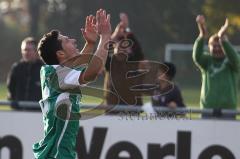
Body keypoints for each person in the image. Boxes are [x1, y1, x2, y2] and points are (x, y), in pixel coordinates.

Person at [33, 9, 111, 159]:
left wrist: (90, 43)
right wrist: (105, 36)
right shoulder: (59, 76)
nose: (74, 40)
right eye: (67, 40)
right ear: (60, 54)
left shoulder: (54, 73)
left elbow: (78, 66)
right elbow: (93, 70)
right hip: (58, 155)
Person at [193, 15, 240, 119]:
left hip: (228, 111)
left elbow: (236, 60)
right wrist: (202, 34)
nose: (217, 49)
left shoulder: (232, 62)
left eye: (220, 46)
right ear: (209, 47)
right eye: (214, 46)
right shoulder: (207, 61)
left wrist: (222, 38)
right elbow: (197, 56)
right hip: (207, 109)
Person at [104, 12, 145, 107]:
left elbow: (138, 52)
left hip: (131, 106)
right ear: (114, 48)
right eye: (119, 46)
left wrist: (127, 31)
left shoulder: (132, 60)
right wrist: (115, 35)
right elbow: (103, 50)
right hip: (113, 105)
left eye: (125, 46)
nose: (121, 48)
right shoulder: (110, 62)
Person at [6, 37, 43, 109]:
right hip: (18, 113)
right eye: (24, 50)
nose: (26, 53)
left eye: (29, 50)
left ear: (36, 51)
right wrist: (14, 105)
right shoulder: (16, 68)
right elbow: (10, 89)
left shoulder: (43, 69)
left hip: (38, 114)